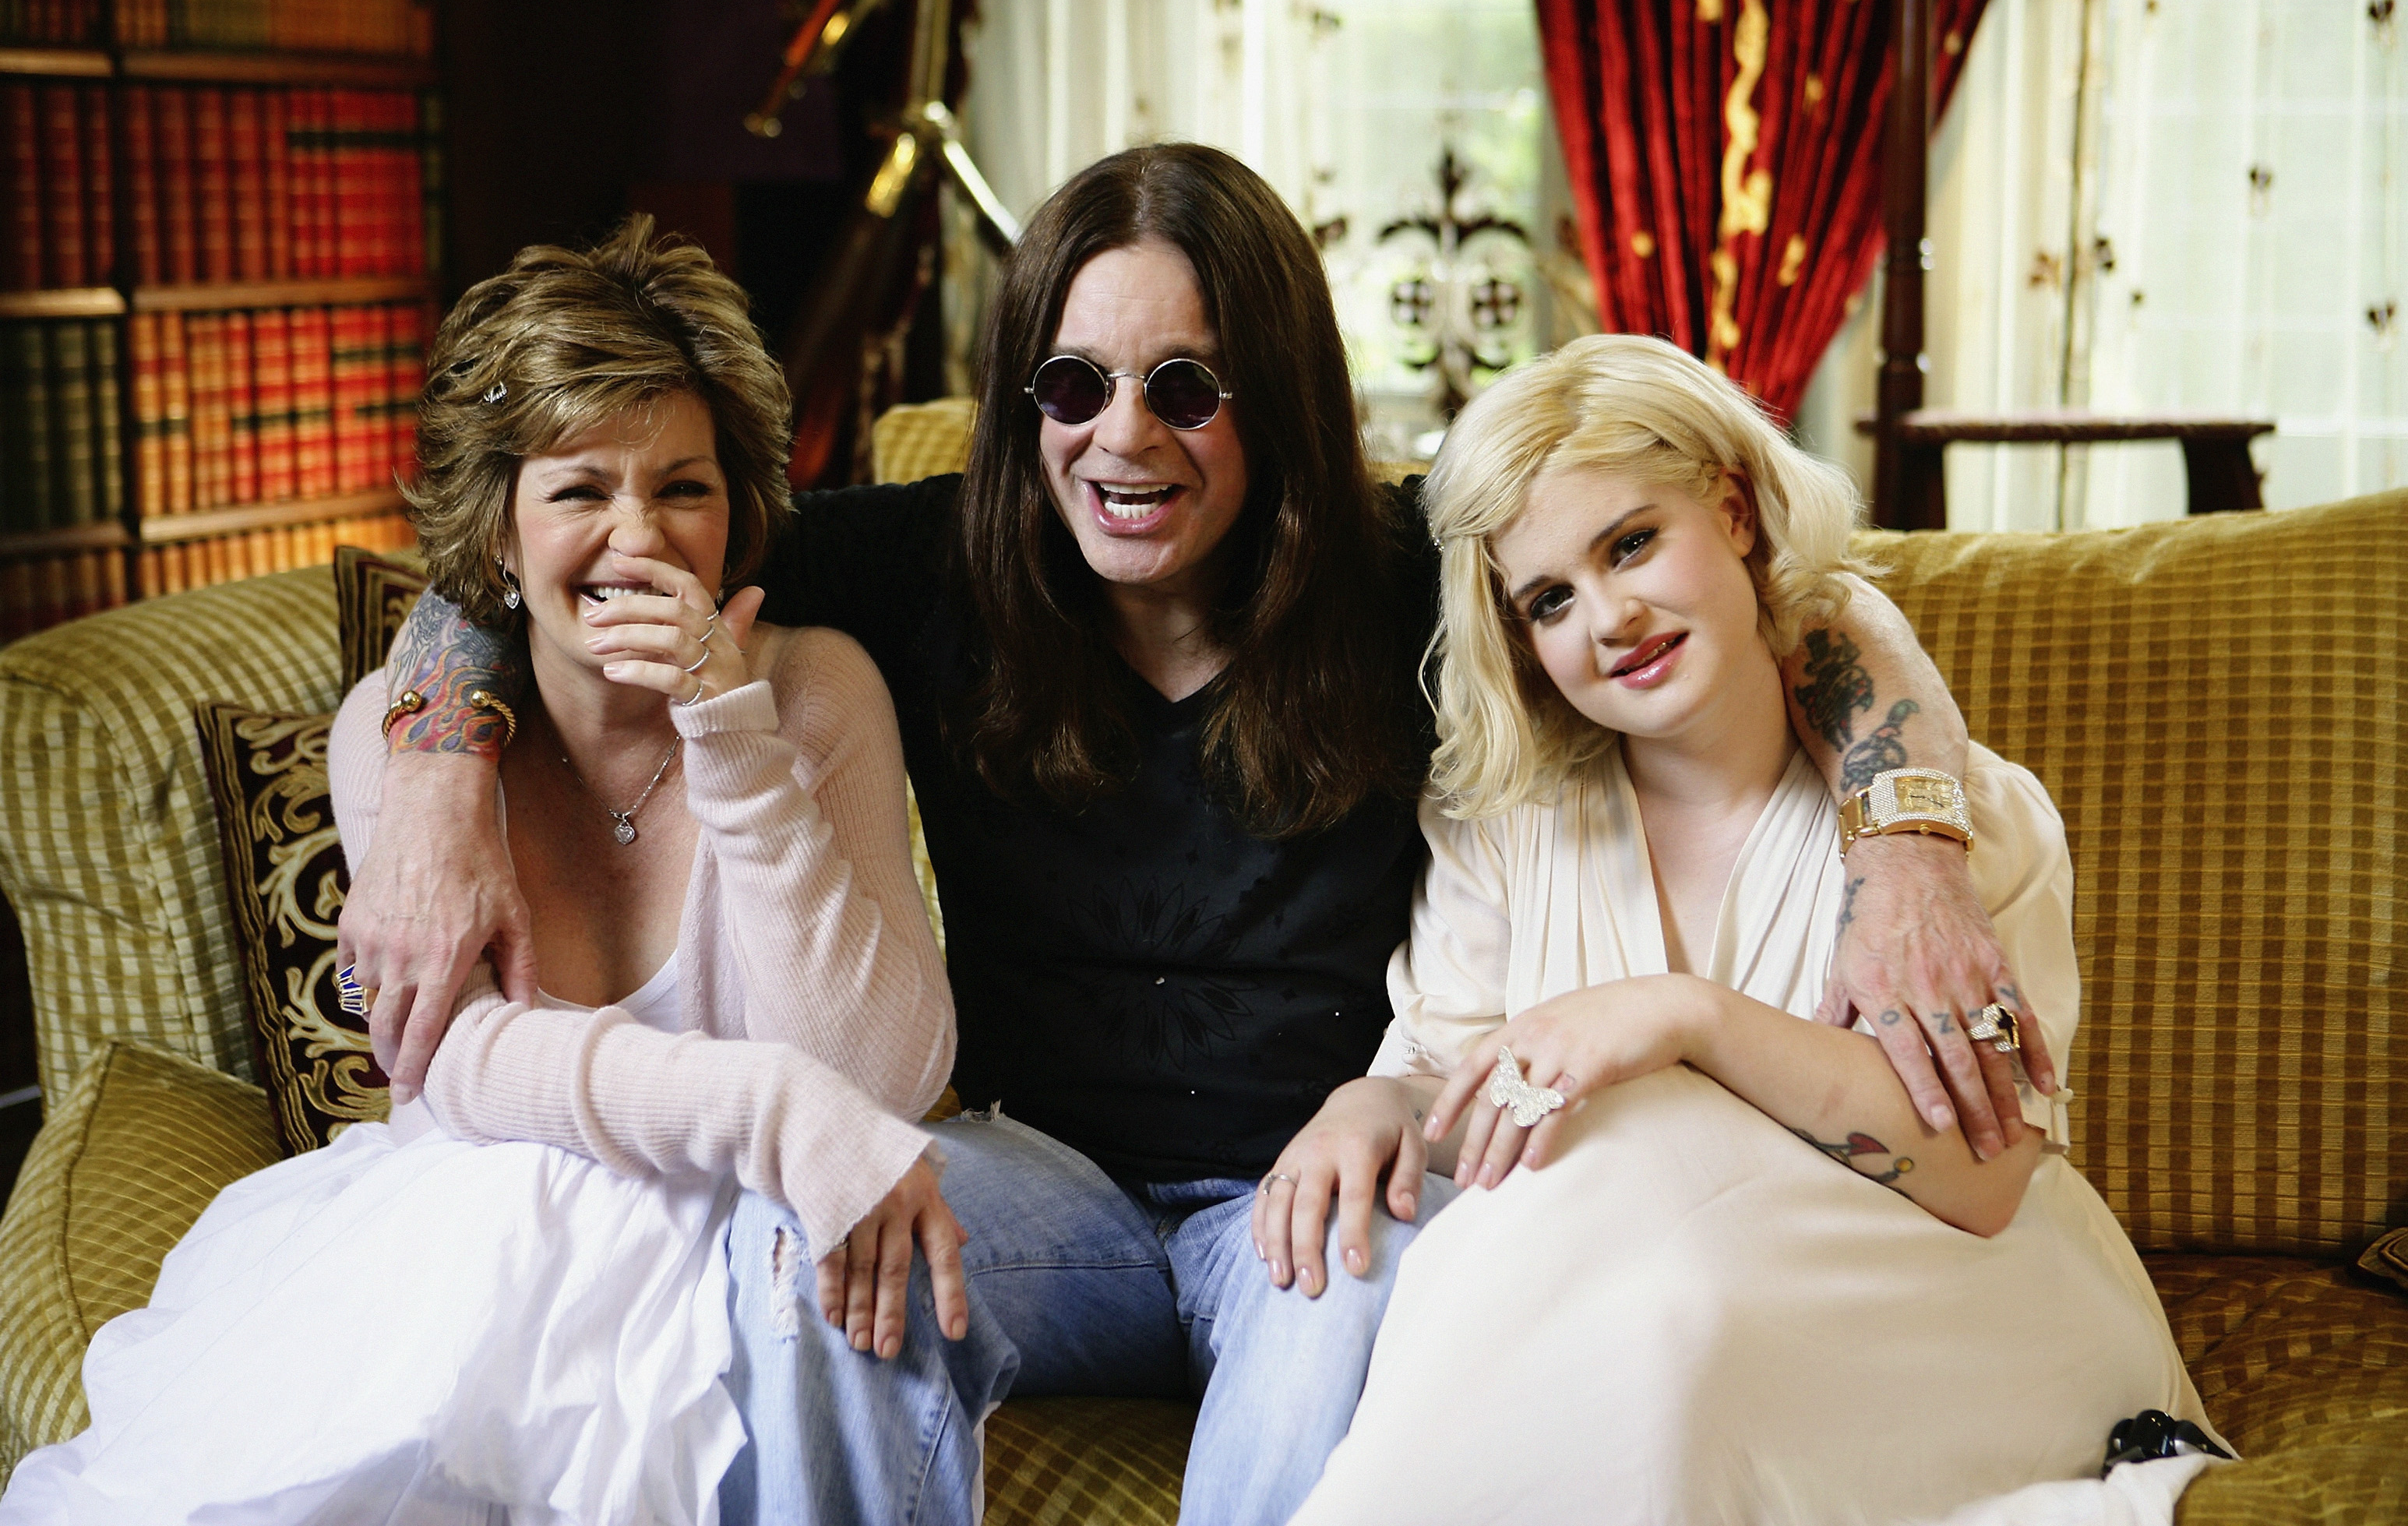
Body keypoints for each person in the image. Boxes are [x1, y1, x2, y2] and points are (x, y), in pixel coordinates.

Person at [342, 146, 2043, 1525]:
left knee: (1341, 1286)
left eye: (1186, 385)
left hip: (1316, 1187)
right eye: (1073, 383)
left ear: (1275, 399)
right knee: (808, 1230)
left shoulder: (1404, 579)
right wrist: (431, 765)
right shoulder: (931, 565)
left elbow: (1802, 602)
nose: (1122, 437)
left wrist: (1906, 849)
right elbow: (578, 543)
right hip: (1043, 1190)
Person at [0, 220, 968, 1525]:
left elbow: (875, 1081)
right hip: (469, 1245)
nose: (640, 537)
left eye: (684, 487)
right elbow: (447, 1057)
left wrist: (730, 741)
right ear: (499, 536)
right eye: (579, 491)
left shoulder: (817, 687)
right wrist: (759, 1105)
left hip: (749, 1253)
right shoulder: (401, 736)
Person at [1285, 333, 2221, 1525]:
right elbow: (1474, 1100)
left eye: (1632, 543)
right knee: (1621, 1277)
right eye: (1551, 600)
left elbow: (1983, 1184)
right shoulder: (1511, 825)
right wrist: (1378, 1100)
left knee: (1642, 1233)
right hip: (1662, 1325)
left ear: (1732, 507)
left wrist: (1686, 1023)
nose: (1611, 618)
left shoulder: (1952, 824)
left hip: (1955, 1318)